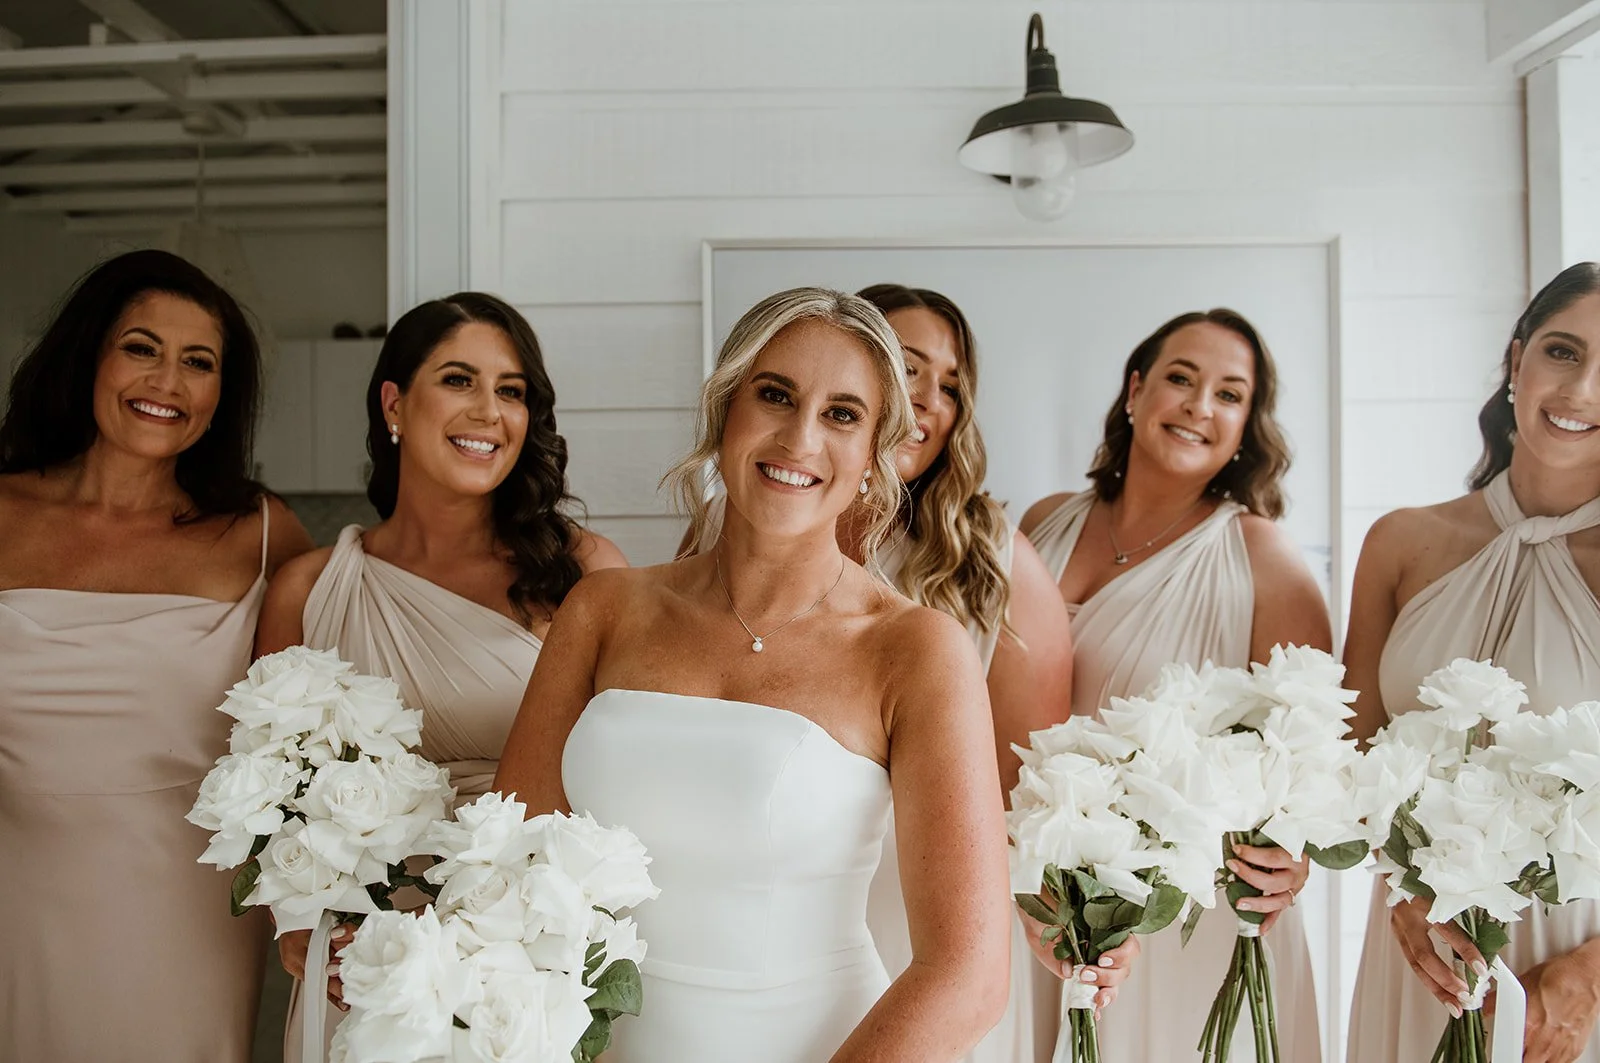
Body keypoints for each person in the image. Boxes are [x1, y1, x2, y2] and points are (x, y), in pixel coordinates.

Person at [496, 287, 1011, 1062]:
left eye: (842, 414)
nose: (801, 436)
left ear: (874, 454)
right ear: (724, 413)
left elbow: (968, 972)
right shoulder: (603, 609)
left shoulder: (915, 648)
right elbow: (511, 867)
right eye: (775, 395)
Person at [681, 283, 1120, 1062]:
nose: (929, 400)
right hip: (764, 905)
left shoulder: (995, 562)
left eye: (951, 385)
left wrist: (1067, 914)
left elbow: (1034, 788)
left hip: (929, 913)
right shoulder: (724, 536)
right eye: (909, 370)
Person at [255, 292, 625, 1060]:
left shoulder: (582, 573)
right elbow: (268, 787)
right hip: (364, 960)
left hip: (523, 957)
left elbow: (626, 776)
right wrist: (296, 926)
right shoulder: (308, 588)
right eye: (460, 379)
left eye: (512, 390)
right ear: (395, 402)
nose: (489, 410)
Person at [0, 248, 313, 1062]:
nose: (167, 380)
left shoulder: (262, 534)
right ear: (90, 356)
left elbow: (319, 724)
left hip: (183, 903)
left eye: (198, 362)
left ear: (221, 393)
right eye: (142, 347)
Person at [1020, 308, 1331, 1062]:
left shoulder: (1263, 556)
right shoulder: (1042, 523)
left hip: (1186, 911)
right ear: (1135, 390)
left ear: (1246, 424)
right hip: (1043, 893)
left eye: (1229, 394)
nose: (1199, 406)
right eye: (1181, 379)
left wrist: (1297, 854)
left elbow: (1315, 755)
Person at [1344, 262, 1600, 1063]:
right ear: (1516, 357)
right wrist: (1405, 884)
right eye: (1563, 351)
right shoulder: (1402, 542)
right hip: (1418, 946)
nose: (1582, 389)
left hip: (1572, 974)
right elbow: (1352, 759)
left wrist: (1590, 975)